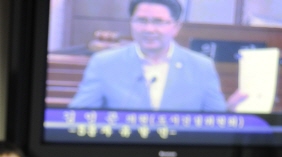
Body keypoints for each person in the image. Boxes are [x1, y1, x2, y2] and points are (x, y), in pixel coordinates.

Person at [69, 0, 246, 112]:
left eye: (158, 22)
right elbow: (79, 116)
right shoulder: (104, 63)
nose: (149, 29)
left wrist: (229, 111)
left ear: (176, 27)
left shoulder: (201, 66)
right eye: (141, 20)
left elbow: (214, 120)